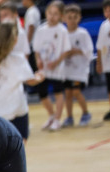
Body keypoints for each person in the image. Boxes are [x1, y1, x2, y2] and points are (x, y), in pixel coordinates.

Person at [33, 0, 71, 130]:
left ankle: (57, 120)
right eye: (50, 13)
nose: (52, 16)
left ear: (61, 15)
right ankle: (51, 115)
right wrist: (38, 60)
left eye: (55, 14)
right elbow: (36, 49)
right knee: (42, 94)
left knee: (58, 93)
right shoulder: (41, 29)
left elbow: (66, 50)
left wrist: (56, 62)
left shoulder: (62, 30)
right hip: (43, 69)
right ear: (46, 13)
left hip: (57, 69)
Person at [61, 4, 94, 127]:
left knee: (76, 92)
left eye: (75, 17)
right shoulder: (62, 33)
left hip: (79, 69)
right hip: (66, 69)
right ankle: (69, 117)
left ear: (79, 18)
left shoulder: (82, 33)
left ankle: (86, 113)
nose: (72, 20)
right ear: (64, 18)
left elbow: (89, 50)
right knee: (68, 93)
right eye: (69, 17)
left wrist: (76, 51)